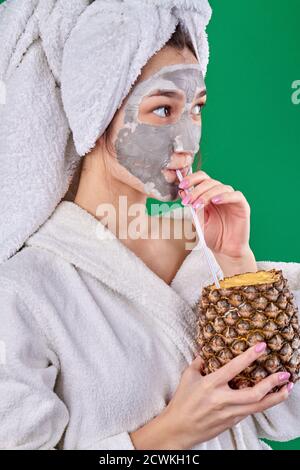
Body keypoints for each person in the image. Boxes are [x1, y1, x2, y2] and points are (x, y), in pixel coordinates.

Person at [0, 1, 299, 451]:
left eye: (196, 109)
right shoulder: (25, 291)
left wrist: (238, 266)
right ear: (95, 116)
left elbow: (280, 411)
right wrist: (168, 435)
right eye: (162, 110)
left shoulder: (207, 250)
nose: (188, 141)